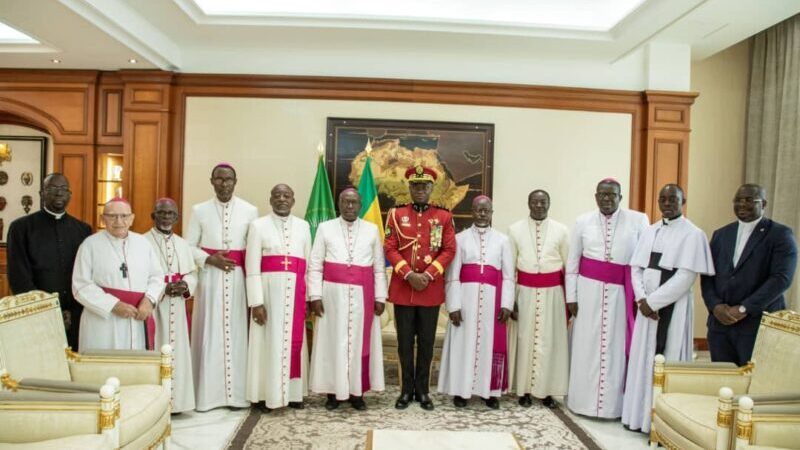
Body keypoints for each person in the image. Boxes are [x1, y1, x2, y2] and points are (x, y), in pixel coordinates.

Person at [622, 184, 714, 433]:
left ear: (683, 201)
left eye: (672, 199)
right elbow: (636, 268)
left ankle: (664, 422)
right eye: (662, 198)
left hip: (671, 307)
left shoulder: (694, 235)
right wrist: (642, 299)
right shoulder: (650, 231)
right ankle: (638, 416)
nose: (666, 203)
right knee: (644, 360)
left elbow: (685, 277)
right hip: (647, 309)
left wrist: (653, 302)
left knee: (668, 356)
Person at [565, 178, 649, 418]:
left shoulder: (638, 220)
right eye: (602, 194)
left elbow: (643, 262)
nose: (607, 199)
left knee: (615, 345)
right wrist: (572, 297)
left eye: (612, 195)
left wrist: (640, 295)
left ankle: (615, 407)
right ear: (595, 197)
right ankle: (583, 403)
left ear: (620, 197)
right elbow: (572, 263)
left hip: (621, 293)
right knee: (586, 346)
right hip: (588, 293)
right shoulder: (582, 221)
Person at [185, 163, 258, 411]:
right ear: (212, 181)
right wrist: (209, 259)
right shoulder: (199, 210)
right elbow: (188, 247)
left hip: (238, 280)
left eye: (228, 179)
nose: (224, 183)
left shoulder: (250, 210)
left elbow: (253, 249)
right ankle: (208, 396)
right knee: (210, 332)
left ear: (235, 182)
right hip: (210, 281)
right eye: (219, 179)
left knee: (237, 334)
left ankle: (238, 396)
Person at [384, 165, 457, 411]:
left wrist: (428, 274)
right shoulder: (395, 214)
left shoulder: (444, 217)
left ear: (431, 188)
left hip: (430, 289)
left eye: (425, 185)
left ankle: (423, 390)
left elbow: (449, 250)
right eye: (415, 185)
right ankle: (406, 391)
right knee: (405, 343)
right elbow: (390, 247)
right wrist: (408, 273)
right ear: (410, 188)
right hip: (403, 290)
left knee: (426, 343)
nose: (420, 190)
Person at [701, 183, 797, 366]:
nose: (742, 204)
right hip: (720, 325)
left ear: (764, 204)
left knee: (755, 385)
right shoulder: (721, 234)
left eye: (749, 200)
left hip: (757, 324)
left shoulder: (780, 234)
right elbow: (707, 275)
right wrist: (715, 307)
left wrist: (744, 308)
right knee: (723, 384)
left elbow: (781, 279)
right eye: (738, 200)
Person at [308, 189, 387, 411]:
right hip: (332, 295)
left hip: (363, 295)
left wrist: (380, 296)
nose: (349, 206)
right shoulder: (325, 228)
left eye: (353, 202)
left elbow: (379, 268)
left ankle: (357, 392)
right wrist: (315, 295)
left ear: (360, 205)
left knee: (358, 343)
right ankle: (333, 392)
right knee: (333, 342)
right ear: (339, 204)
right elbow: (315, 265)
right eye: (345, 202)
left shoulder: (371, 230)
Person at [438, 195, 514, 409]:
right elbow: (452, 275)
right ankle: (461, 391)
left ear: (491, 213)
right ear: (472, 212)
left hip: (492, 301)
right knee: (464, 344)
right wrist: (453, 305)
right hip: (466, 299)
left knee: (489, 345)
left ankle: (489, 392)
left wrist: (506, 304)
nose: (482, 214)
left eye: (486, 210)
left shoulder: (503, 240)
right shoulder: (460, 238)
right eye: (478, 210)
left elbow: (509, 276)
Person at [245, 184, 311, 412]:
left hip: (296, 295)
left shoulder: (303, 226)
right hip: (268, 296)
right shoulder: (258, 225)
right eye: (277, 195)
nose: (282, 199)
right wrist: (256, 302)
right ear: (270, 199)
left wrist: (310, 297)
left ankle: (294, 394)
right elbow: (252, 267)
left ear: (293, 200)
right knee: (267, 344)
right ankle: (265, 394)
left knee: (294, 344)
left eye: (287, 196)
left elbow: (309, 265)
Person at [7, 173, 91, 349]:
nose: (59, 193)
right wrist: (47, 310)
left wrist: (73, 312)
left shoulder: (83, 230)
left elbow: (87, 275)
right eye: (53, 189)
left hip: (75, 315)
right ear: (42, 193)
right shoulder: (21, 228)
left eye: (63, 189)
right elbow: (18, 275)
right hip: (36, 313)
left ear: (70, 195)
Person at [72, 198, 164, 351]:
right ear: (103, 218)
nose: (118, 221)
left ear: (132, 218)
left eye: (124, 216)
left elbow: (157, 277)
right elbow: (81, 285)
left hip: (137, 316)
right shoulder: (90, 245)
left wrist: (149, 300)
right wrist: (113, 305)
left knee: (133, 369)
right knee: (103, 369)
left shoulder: (143, 244)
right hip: (103, 321)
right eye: (112, 216)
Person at [507, 189, 569, 409]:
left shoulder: (562, 230)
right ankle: (523, 390)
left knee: (551, 341)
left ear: (549, 204)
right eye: (535, 202)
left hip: (553, 294)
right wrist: (509, 300)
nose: (539, 206)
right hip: (524, 292)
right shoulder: (514, 229)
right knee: (525, 340)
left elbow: (569, 268)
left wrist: (571, 300)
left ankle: (548, 391)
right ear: (528, 203)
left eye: (543, 202)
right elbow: (509, 269)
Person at [145, 197, 198, 413]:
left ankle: (178, 403)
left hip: (177, 304)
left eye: (171, 214)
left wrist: (186, 285)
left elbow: (192, 272)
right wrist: (162, 290)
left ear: (176, 217)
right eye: (162, 213)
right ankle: (156, 405)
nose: (167, 217)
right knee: (156, 350)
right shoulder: (142, 242)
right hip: (155, 307)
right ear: (153, 215)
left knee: (179, 353)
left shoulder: (182, 243)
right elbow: (140, 277)